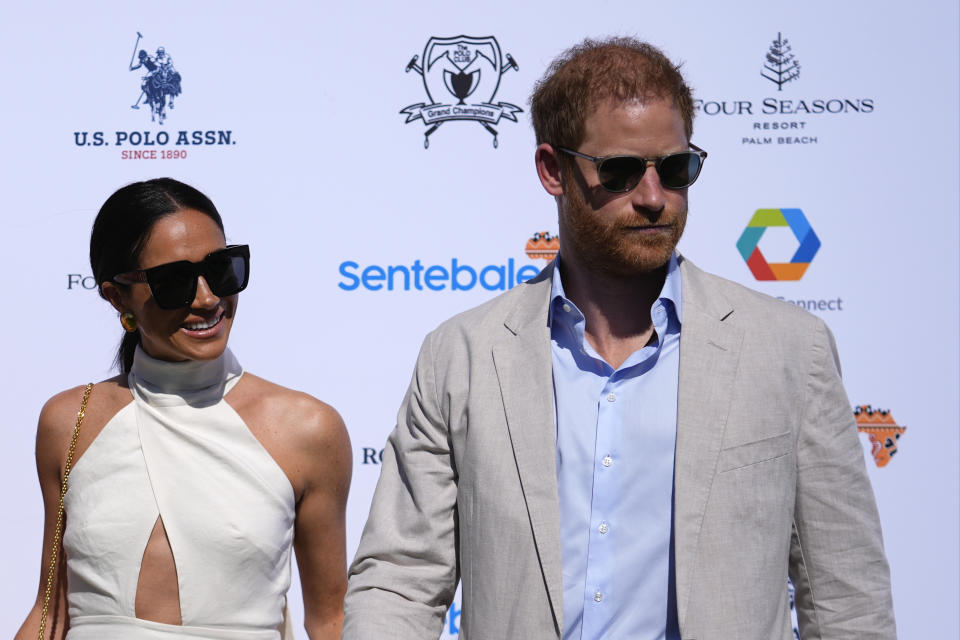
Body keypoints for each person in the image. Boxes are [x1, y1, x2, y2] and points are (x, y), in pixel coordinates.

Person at [342, 38, 895, 639]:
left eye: (676, 169)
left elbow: (846, 593)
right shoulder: (462, 354)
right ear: (553, 170)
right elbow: (400, 577)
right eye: (622, 171)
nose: (654, 197)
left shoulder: (789, 348)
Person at [16, 178, 351, 640]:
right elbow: (50, 614)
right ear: (117, 297)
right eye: (173, 281)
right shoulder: (69, 420)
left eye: (222, 269)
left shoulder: (308, 429)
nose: (208, 298)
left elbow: (331, 619)